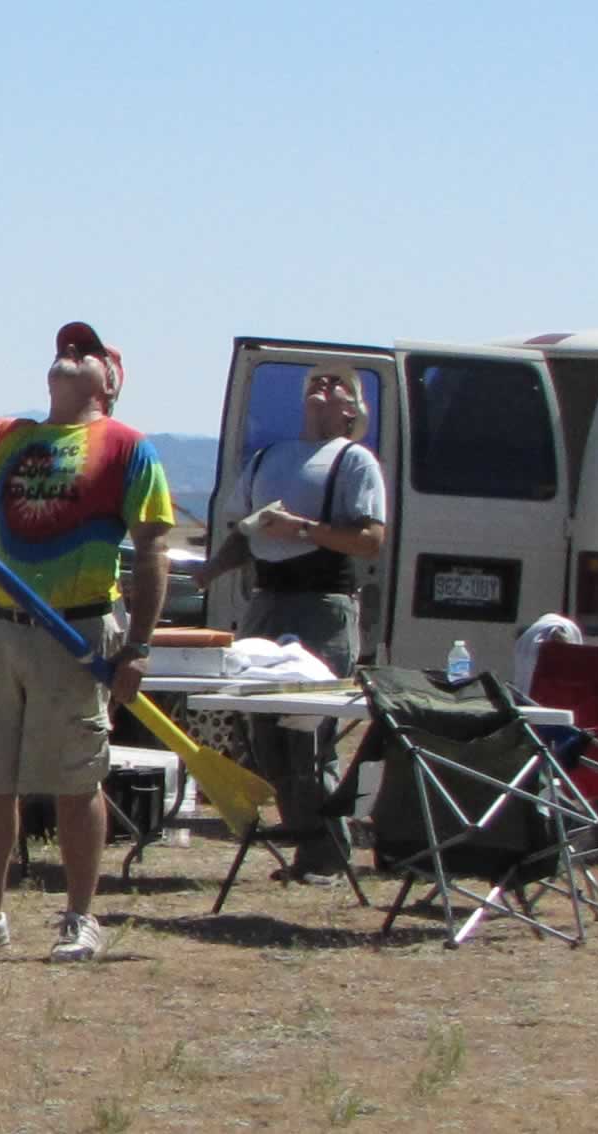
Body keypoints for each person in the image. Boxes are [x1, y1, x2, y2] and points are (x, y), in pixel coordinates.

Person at [0, 321, 176, 962]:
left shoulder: (128, 448)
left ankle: (80, 918)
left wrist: (137, 647)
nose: (70, 352)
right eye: (64, 347)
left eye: (88, 351)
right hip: (0, 628)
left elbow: (153, 548)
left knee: (76, 780)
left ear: (110, 382)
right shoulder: (8, 437)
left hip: (76, 632)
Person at [195, 363, 388, 885]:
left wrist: (302, 529)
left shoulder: (354, 461)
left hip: (322, 604)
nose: (323, 386)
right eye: (316, 382)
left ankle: (329, 854)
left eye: (338, 384)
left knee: (309, 731)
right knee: (265, 733)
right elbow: (246, 533)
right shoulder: (268, 458)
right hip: (267, 601)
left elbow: (370, 540)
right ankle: (306, 847)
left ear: (352, 409)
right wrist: (210, 571)